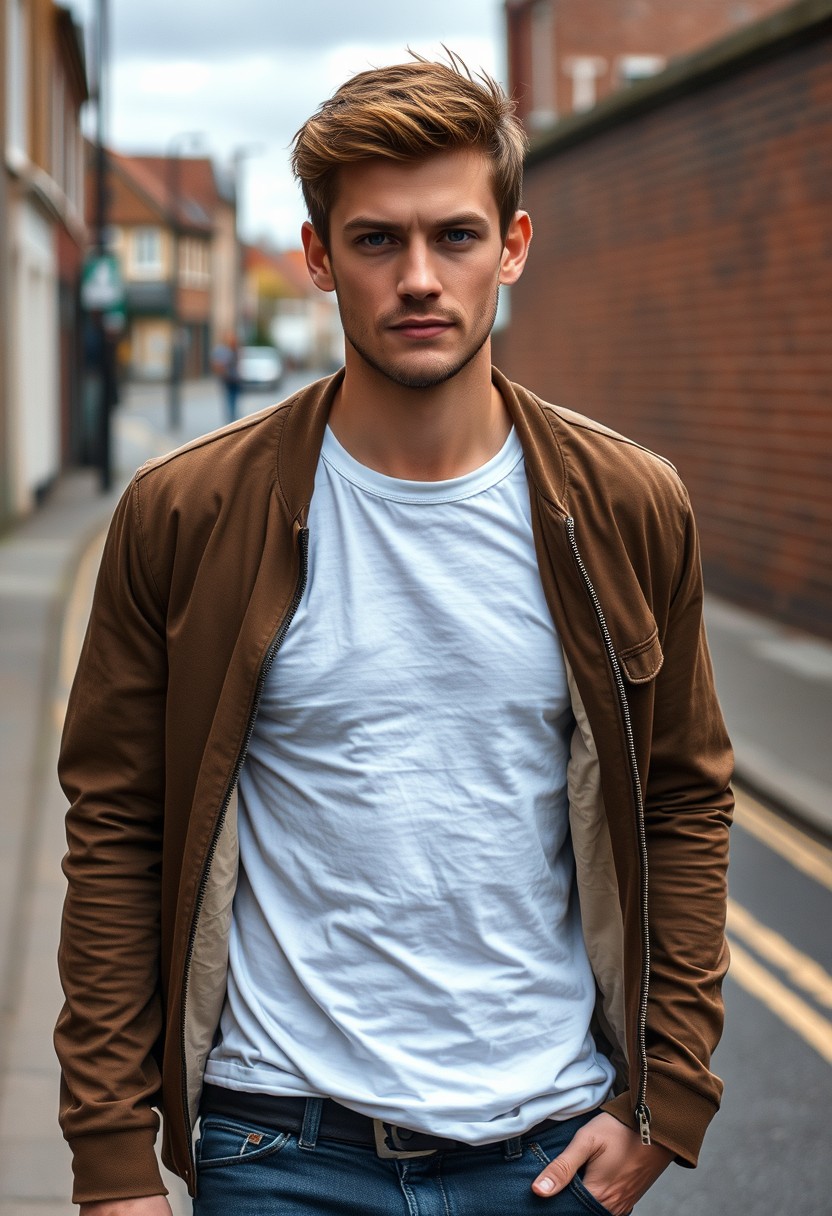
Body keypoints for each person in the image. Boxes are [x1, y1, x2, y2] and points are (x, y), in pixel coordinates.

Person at [55, 53, 733, 1216]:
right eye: (376, 241)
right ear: (317, 256)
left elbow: (681, 797)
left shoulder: (626, 506)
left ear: (512, 246)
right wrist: (114, 1156)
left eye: (455, 237)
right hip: (278, 1145)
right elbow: (117, 821)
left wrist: (665, 1098)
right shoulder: (185, 513)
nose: (419, 278)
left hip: (542, 1152)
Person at [210, 333, 240, 423]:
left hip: (234, 379)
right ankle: (232, 418)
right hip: (229, 379)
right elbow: (218, 365)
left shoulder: (234, 351)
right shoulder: (226, 351)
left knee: (232, 399)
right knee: (230, 399)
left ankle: (232, 417)